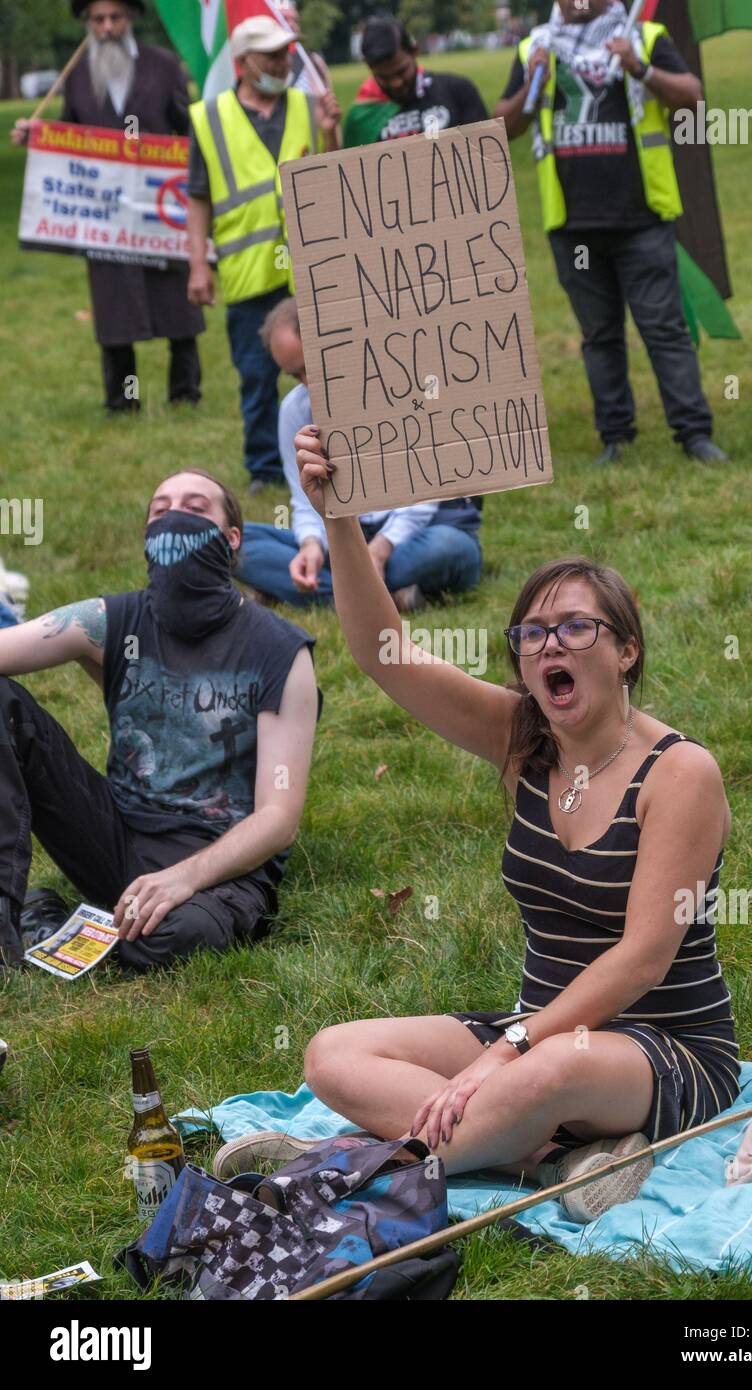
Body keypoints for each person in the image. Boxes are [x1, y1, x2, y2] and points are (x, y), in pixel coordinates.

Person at [285, 424, 741, 1223]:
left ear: (627, 650)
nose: (547, 645)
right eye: (531, 634)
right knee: (333, 1053)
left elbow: (641, 960)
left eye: (574, 627)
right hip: (535, 1035)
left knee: (545, 1077)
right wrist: (339, 517)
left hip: (658, 1049)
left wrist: (506, 1051)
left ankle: (331, 1166)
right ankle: (554, 1160)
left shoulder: (679, 773)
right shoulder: (522, 739)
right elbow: (385, 653)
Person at [0, 469, 322, 973]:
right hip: (115, 833)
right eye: (160, 509)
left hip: (219, 862)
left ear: (232, 539)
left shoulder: (280, 651)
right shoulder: (111, 621)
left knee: (181, 937)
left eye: (196, 508)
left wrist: (184, 878)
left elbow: (278, 819)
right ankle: (9, 916)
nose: (174, 517)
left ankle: (54, 922)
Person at [494, 0, 727, 468]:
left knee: (664, 330)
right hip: (573, 226)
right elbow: (503, 125)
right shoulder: (534, 47)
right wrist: (532, 81)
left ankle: (694, 433)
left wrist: (639, 69)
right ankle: (615, 437)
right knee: (599, 335)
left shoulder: (644, 37)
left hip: (640, 217)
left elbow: (691, 97)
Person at [11, 1, 205, 414]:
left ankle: (185, 393)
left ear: (130, 19)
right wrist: (37, 136)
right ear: (88, 24)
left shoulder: (163, 65)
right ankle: (124, 401)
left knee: (175, 304)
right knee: (117, 310)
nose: (107, 27)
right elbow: (68, 140)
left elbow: (188, 129)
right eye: (98, 20)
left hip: (159, 209)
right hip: (106, 217)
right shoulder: (77, 76)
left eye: (115, 18)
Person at [235, 299, 483, 613]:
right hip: (343, 541)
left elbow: (426, 495)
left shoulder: (406, 387)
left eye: (313, 367)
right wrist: (310, 545)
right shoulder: (295, 409)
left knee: (451, 548)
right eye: (296, 375)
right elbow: (303, 499)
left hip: (417, 534)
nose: (309, 383)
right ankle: (381, 596)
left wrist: (379, 550)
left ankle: (322, 592)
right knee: (233, 541)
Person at [186, 15, 341, 495]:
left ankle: (339, 446)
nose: (282, 62)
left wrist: (331, 130)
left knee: (329, 369)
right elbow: (198, 195)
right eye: (271, 55)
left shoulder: (310, 104)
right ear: (243, 63)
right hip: (248, 273)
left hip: (310, 269)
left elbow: (333, 173)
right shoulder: (207, 118)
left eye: (285, 53)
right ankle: (264, 469)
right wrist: (197, 264)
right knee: (256, 376)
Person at [342, 15, 488, 147]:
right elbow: (346, 172)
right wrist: (330, 133)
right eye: (384, 77)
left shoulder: (457, 91)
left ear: (414, 51)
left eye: (401, 71)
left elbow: (487, 158)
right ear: (369, 68)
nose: (396, 83)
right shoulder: (360, 118)